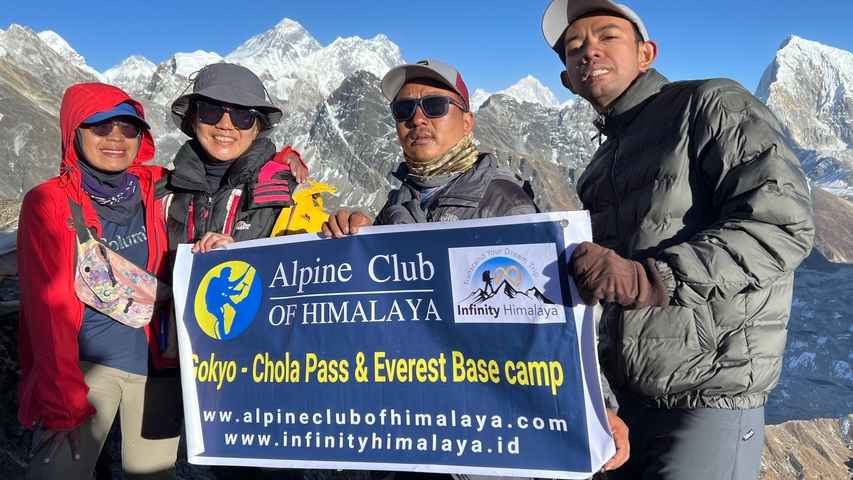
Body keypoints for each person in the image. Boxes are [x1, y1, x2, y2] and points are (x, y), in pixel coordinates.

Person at [541, 1, 814, 478]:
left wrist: (651, 278)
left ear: (646, 53)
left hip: (710, 395)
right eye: (574, 48)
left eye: (607, 36)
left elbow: (782, 225)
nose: (589, 52)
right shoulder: (597, 168)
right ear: (567, 79)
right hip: (625, 402)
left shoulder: (710, 105)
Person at [323, 59, 629, 475]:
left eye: (434, 106)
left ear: (467, 121)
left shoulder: (503, 203)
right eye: (403, 110)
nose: (417, 119)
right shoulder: (399, 204)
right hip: (415, 425)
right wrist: (355, 241)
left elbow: (549, 316)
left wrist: (597, 404)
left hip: (484, 432)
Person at [161, 62, 331, 480]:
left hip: (270, 382)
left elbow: (312, 285)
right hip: (192, 380)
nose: (225, 124)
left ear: (258, 127)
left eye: (241, 115)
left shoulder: (291, 192)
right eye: (210, 111)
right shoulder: (163, 193)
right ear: (191, 117)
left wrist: (246, 261)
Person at [17, 83, 181, 479]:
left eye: (128, 127)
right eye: (100, 126)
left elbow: (222, 171)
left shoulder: (158, 186)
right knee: (56, 474)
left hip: (157, 365)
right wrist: (62, 406)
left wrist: (285, 159)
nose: (116, 137)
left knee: (154, 475)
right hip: (84, 369)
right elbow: (48, 309)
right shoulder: (48, 202)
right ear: (75, 130)